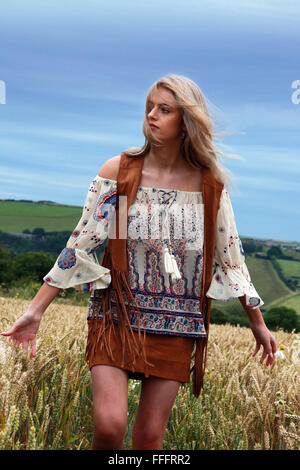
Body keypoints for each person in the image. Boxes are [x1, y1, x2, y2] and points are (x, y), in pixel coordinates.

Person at [1, 74, 277, 451]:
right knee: (110, 427)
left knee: (148, 441)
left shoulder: (208, 184)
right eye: (150, 107)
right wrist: (35, 311)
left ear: (187, 121)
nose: (152, 115)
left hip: (178, 325)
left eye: (165, 109)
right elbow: (83, 244)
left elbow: (231, 258)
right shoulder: (123, 173)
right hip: (116, 316)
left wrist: (257, 323)